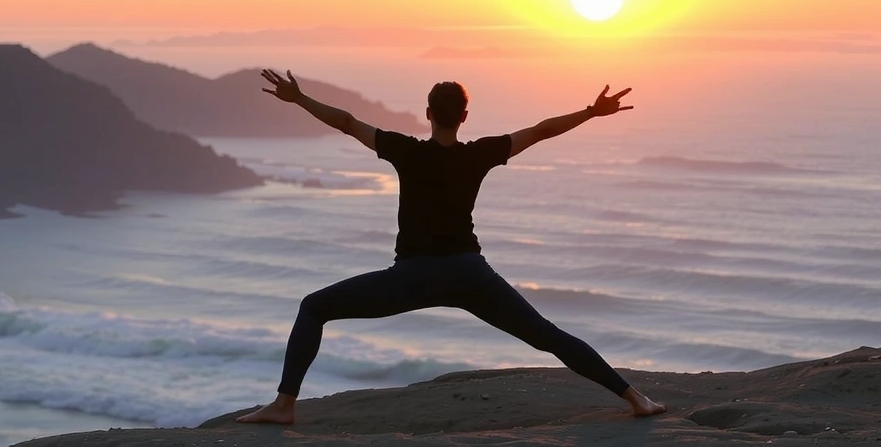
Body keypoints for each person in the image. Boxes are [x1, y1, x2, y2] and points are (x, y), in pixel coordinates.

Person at [237, 69, 667, 425]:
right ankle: (635, 399)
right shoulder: (480, 154)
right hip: (470, 275)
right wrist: (592, 111)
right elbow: (540, 131)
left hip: (412, 278)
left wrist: (300, 98)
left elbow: (347, 122)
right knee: (548, 336)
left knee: (314, 307)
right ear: (464, 116)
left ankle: (284, 405)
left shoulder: (404, 151)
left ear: (428, 114)